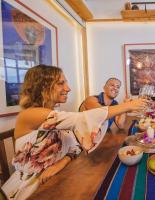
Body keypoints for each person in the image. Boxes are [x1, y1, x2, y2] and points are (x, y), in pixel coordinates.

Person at [0, 65, 147, 200]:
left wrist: (62, 162)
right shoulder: (30, 115)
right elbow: (83, 119)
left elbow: (75, 142)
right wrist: (127, 106)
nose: (68, 88)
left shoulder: (53, 112)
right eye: (61, 83)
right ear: (42, 87)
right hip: (28, 188)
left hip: (55, 177)